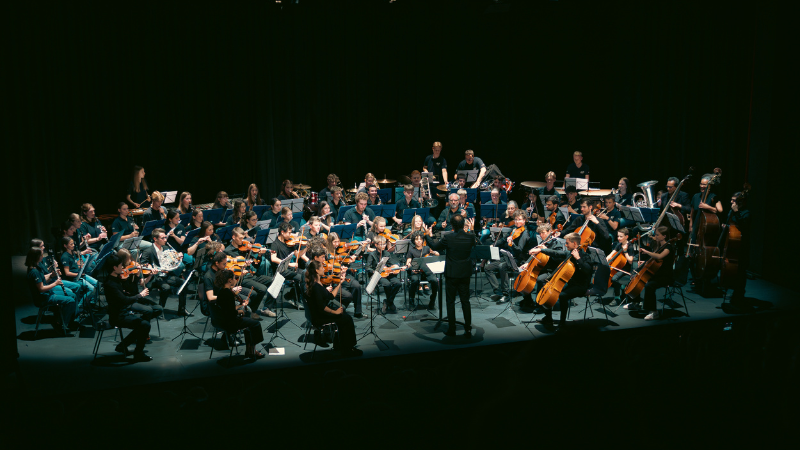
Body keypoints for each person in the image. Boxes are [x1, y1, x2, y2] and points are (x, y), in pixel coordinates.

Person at [425, 214, 476, 337]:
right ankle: (468, 329)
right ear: (464, 224)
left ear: (451, 225)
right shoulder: (470, 236)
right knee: (465, 301)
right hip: (464, 273)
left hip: (452, 274)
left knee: (450, 301)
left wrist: (427, 234)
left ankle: (452, 329)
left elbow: (434, 246)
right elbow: (475, 243)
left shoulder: (448, 237)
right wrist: (472, 229)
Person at [534, 232, 593, 331]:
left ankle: (562, 323)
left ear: (575, 244)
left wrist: (578, 259)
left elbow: (587, 271)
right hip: (571, 283)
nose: (565, 245)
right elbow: (556, 253)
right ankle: (548, 318)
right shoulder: (569, 253)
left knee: (562, 295)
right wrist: (541, 250)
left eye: (567, 243)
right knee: (548, 291)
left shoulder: (586, 256)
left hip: (581, 285)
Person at [304, 260, 362, 357]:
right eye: (322, 268)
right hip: (319, 317)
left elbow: (330, 296)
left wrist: (340, 283)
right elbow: (322, 307)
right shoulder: (316, 287)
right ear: (317, 271)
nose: (324, 269)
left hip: (317, 314)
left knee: (344, 317)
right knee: (347, 319)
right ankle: (348, 348)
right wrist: (335, 312)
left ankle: (340, 345)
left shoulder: (316, 284)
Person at [104, 253, 155, 361]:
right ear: (114, 267)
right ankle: (138, 354)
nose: (123, 268)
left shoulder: (115, 279)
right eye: (120, 265)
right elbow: (124, 301)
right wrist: (139, 295)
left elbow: (122, 296)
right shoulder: (110, 284)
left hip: (122, 312)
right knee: (144, 325)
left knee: (143, 325)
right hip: (117, 316)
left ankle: (123, 346)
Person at [213, 268, 266, 359]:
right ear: (230, 280)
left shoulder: (221, 291)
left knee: (249, 325)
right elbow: (231, 313)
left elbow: (228, 309)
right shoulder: (228, 294)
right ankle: (252, 350)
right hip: (230, 323)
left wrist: (240, 305)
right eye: (234, 278)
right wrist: (241, 310)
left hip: (220, 321)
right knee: (255, 324)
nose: (235, 280)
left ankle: (249, 350)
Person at [624, 226, 675, 320]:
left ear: (664, 236)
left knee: (649, 285)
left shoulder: (668, 247)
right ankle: (635, 303)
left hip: (666, 276)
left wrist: (646, 252)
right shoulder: (660, 246)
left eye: (657, 235)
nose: (655, 236)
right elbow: (654, 261)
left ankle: (654, 312)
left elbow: (659, 257)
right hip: (658, 273)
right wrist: (644, 263)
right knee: (637, 278)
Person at [225, 227, 276, 318]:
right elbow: (228, 270)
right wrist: (241, 267)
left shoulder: (246, 248)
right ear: (233, 237)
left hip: (251, 274)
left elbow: (256, 265)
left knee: (273, 281)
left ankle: (267, 307)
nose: (242, 240)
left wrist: (259, 255)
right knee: (262, 289)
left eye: (243, 238)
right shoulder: (228, 252)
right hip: (241, 278)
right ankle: (253, 310)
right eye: (240, 238)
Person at [26, 246, 76, 334]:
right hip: (43, 298)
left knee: (72, 295)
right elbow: (41, 289)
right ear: (37, 257)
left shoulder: (36, 267)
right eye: (41, 255)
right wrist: (55, 283)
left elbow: (43, 279)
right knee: (70, 300)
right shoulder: (34, 272)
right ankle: (59, 323)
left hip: (47, 293)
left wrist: (52, 275)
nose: (43, 257)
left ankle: (65, 319)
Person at [140, 228, 190, 316]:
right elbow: (143, 264)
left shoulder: (166, 248)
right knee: (166, 287)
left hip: (166, 275)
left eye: (165, 237)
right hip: (155, 277)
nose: (165, 240)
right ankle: (160, 309)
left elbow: (172, 262)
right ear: (155, 239)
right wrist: (150, 268)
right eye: (162, 238)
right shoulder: (148, 251)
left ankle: (182, 309)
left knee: (183, 283)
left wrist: (177, 257)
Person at [687, 174, 723, 294]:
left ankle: (705, 278)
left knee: (703, 255)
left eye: (705, 184)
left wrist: (707, 206)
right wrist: (691, 226)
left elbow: (720, 210)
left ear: (710, 185)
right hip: (696, 229)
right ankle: (696, 278)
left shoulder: (713, 197)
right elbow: (692, 212)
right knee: (691, 255)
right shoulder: (696, 196)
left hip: (705, 232)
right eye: (701, 184)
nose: (702, 186)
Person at [517, 223, 566, 310]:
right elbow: (536, 257)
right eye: (540, 233)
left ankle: (540, 304)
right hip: (541, 267)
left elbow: (558, 259)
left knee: (540, 279)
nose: (541, 235)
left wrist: (545, 250)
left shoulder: (556, 244)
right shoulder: (543, 242)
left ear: (550, 232)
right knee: (523, 275)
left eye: (543, 232)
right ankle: (528, 300)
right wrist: (528, 263)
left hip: (551, 270)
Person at [309, 242, 364, 318]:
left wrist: (339, 274)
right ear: (315, 258)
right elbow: (312, 288)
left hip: (327, 287)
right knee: (347, 299)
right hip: (321, 294)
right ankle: (334, 311)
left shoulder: (322, 265)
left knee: (349, 295)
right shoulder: (311, 269)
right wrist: (325, 289)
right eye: (322, 257)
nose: (324, 259)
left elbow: (328, 277)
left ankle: (338, 310)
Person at [486, 211, 529, 304]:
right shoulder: (513, 229)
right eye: (516, 219)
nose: (517, 222)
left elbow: (519, 250)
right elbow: (502, 240)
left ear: (524, 220)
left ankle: (506, 295)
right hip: (508, 257)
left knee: (502, 266)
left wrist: (512, 244)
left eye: (520, 220)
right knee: (488, 268)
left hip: (518, 259)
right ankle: (498, 292)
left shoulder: (525, 233)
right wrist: (494, 245)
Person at [269, 222, 307, 309]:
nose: (291, 234)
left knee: (306, 274)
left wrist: (306, 248)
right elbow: (273, 258)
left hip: (289, 269)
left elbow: (298, 255)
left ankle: (291, 295)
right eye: (289, 232)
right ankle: (293, 297)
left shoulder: (290, 242)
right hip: (281, 270)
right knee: (300, 278)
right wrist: (289, 264)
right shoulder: (275, 244)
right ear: (282, 232)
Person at [365, 235, 404, 313]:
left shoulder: (386, 253)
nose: (383, 246)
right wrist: (376, 271)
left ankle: (388, 301)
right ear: (376, 245)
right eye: (381, 244)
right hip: (377, 276)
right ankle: (390, 302)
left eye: (384, 244)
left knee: (398, 283)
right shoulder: (372, 255)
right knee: (387, 284)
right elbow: (368, 268)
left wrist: (397, 267)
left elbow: (391, 262)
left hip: (387, 274)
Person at [724, 190, 750, 307]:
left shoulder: (746, 212)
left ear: (741, 202)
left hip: (742, 246)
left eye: (734, 200)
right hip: (733, 245)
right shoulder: (732, 211)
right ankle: (734, 290)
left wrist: (736, 212)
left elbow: (744, 226)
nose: (731, 202)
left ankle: (740, 293)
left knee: (740, 271)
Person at [59, 236, 96, 313]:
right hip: (74, 278)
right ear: (65, 246)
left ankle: (91, 304)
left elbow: (76, 265)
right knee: (91, 289)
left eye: (73, 243)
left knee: (96, 283)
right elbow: (67, 273)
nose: (73, 245)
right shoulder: (65, 256)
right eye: (71, 244)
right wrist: (78, 274)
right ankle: (79, 305)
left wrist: (81, 266)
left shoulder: (73, 253)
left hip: (79, 274)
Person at [404, 231, 440, 309]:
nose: (419, 241)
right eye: (417, 239)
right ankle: (411, 300)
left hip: (427, 272)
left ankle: (432, 300)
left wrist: (434, 252)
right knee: (414, 280)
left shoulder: (427, 248)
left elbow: (437, 254)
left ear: (423, 240)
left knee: (434, 280)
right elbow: (408, 261)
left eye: (421, 239)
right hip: (416, 272)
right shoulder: (411, 250)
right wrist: (409, 266)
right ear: (414, 240)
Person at [607, 228, 636, 306]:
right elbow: (611, 254)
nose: (618, 238)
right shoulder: (619, 244)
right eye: (618, 236)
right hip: (618, 267)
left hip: (625, 269)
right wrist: (606, 260)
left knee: (614, 278)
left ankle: (617, 298)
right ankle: (621, 290)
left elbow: (630, 261)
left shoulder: (630, 246)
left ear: (626, 237)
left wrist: (625, 251)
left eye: (621, 236)